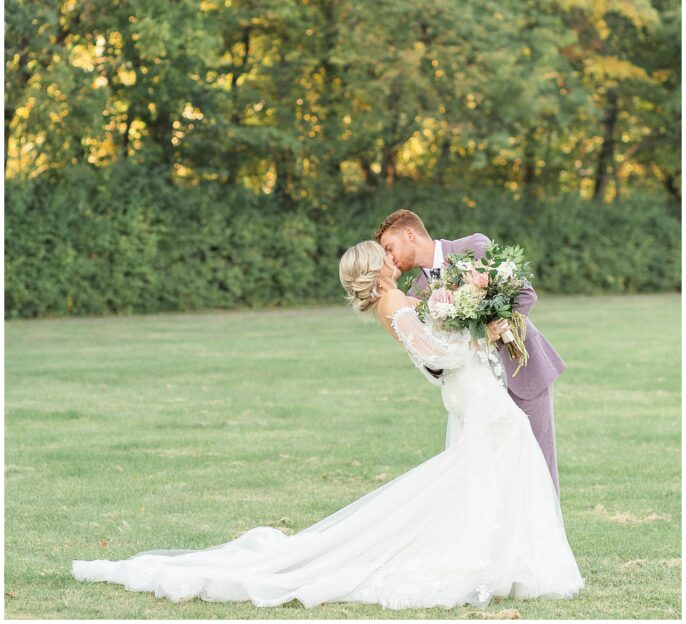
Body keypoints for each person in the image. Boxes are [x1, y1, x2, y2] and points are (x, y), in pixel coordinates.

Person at [72, 241, 583, 611]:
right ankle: (498, 559)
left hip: (475, 391)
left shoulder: (401, 299)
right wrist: (471, 336)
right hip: (469, 386)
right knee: (493, 460)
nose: (392, 258)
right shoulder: (393, 303)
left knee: (492, 466)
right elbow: (433, 354)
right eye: (384, 256)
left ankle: (505, 557)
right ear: (376, 271)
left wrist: (467, 324)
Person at [374, 208, 566, 495]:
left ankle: (549, 538)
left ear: (410, 234)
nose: (389, 258)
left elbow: (525, 295)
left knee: (539, 465)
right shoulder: (414, 296)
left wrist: (485, 328)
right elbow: (432, 360)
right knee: (492, 476)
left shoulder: (474, 247)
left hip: (521, 369)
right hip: (477, 390)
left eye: (389, 248)